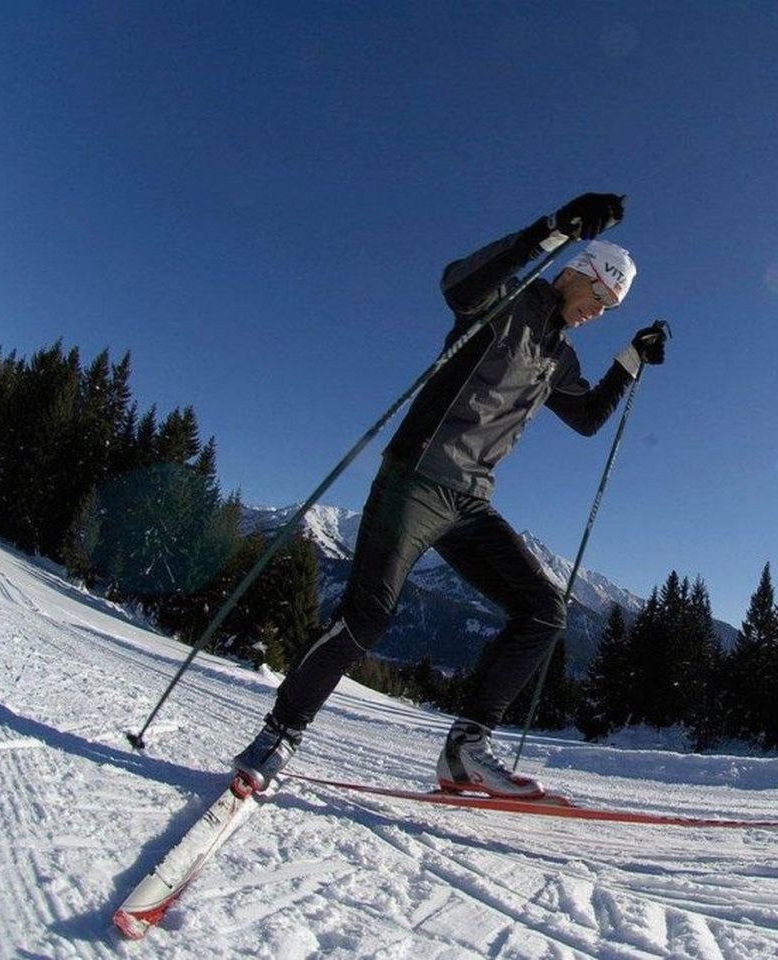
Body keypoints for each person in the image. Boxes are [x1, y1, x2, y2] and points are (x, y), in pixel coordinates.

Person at [233, 192, 669, 798]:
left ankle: (465, 752)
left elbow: (590, 417)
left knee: (545, 611)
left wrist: (629, 361)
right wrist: (550, 229)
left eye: (611, 307)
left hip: (469, 499)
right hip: (416, 478)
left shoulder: (558, 356)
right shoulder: (508, 301)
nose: (600, 311)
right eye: (599, 296)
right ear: (575, 272)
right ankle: (279, 733)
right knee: (369, 612)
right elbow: (459, 284)